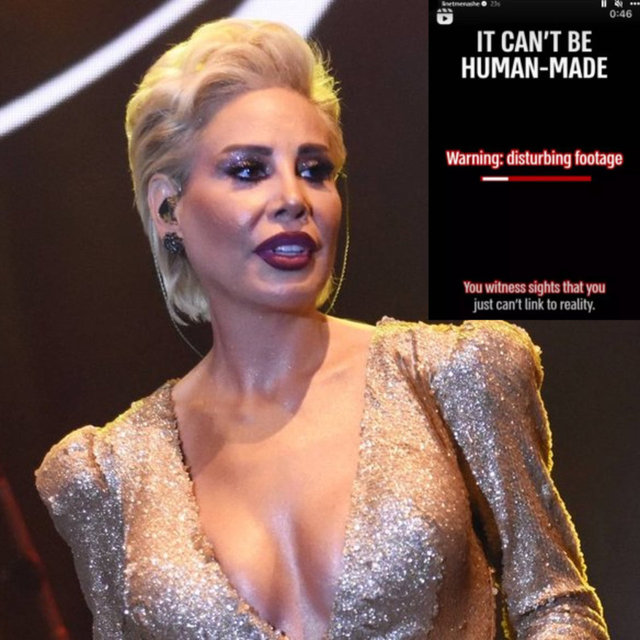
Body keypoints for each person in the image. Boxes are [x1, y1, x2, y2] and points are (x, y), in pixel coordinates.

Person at [35, 18, 609, 640]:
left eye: (314, 169)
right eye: (248, 170)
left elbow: (557, 607)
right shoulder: (111, 476)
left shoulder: (452, 376)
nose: (294, 199)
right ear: (167, 206)